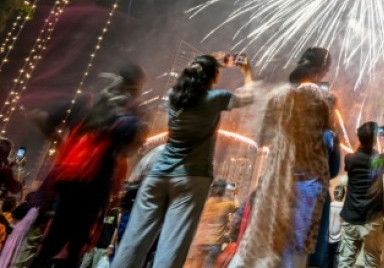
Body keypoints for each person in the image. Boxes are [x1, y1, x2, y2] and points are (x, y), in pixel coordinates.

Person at [111, 54, 255, 268]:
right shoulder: (215, 98)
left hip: (157, 176)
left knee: (133, 242)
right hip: (191, 179)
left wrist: (208, 62)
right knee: (172, 245)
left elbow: (193, 76)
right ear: (212, 77)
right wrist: (245, 71)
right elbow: (248, 97)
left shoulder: (173, 97)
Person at [28, 63, 147, 268]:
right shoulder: (132, 110)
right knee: (76, 246)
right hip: (97, 182)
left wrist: (62, 144)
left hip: (69, 177)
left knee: (54, 239)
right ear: (136, 87)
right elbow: (129, 149)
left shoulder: (89, 100)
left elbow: (41, 117)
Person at [229, 47, 337, 268]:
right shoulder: (322, 100)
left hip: (276, 183)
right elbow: (332, 160)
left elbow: (263, 139)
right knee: (294, 253)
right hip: (308, 185)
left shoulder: (276, 97)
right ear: (322, 72)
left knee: (265, 247)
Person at [338, 121, 384, 268]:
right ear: (374, 139)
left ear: (359, 138)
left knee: (345, 262)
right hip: (372, 220)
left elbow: (358, 154)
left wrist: (365, 142)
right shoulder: (378, 160)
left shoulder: (350, 159)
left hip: (351, 218)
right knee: (372, 262)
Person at [188, 180, 238, 268]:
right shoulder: (227, 205)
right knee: (209, 265)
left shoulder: (205, 203)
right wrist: (235, 194)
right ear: (224, 192)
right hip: (214, 243)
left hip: (200, 241)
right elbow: (237, 207)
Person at [329, 187, 348, 268]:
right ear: (343, 195)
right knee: (336, 263)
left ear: (334, 194)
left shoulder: (329, 206)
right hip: (339, 240)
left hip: (328, 239)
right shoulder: (345, 208)